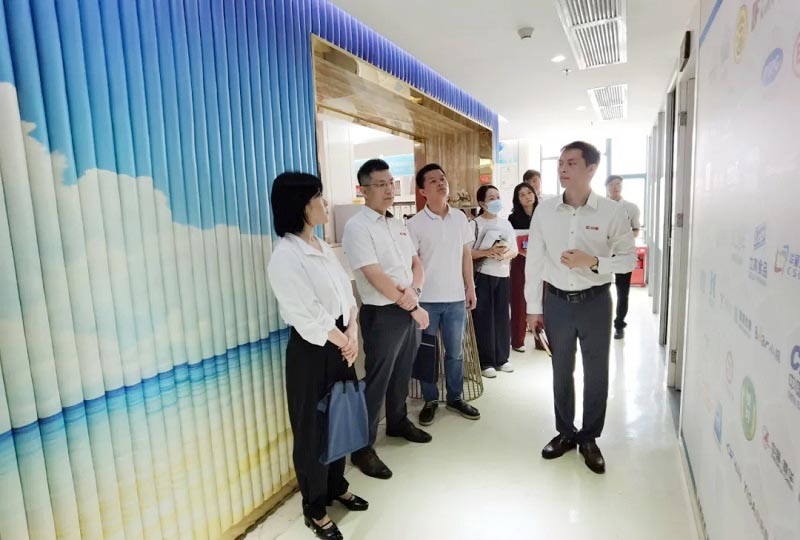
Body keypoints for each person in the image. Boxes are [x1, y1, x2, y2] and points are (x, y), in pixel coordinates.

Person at [267, 172, 368, 540]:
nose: (325, 204)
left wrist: (352, 332)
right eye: (319, 198)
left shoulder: (321, 246)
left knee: (340, 418)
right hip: (313, 351)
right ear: (301, 206)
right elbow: (306, 312)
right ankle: (314, 507)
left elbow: (345, 295)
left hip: (341, 342)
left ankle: (336, 485)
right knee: (312, 430)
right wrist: (344, 340)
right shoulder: (286, 255)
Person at [525, 142, 636, 474]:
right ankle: (565, 432)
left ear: (591, 169)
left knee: (596, 372)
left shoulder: (612, 212)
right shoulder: (545, 210)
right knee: (561, 370)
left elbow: (628, 259)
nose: (562, 168)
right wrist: (533, 307)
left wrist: (594, 261)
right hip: (557, 302)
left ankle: (589, 437)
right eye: (560, 162)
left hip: (596, 302)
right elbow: (534, 260)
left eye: (571, 163)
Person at [342, 159, 432, 481]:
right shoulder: (357, 227)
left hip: (408, 307)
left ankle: (397, 421)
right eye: (380, 184)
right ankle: (362, 447)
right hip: (382, 313)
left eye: (390, 183)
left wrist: (415, 293)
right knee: (377, 380)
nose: (388, 190)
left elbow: (415, 263)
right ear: (363, 190)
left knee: (403, 371)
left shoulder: (398, 223)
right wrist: (411, 304)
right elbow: (374, 274)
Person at [406, 164, 480, 427]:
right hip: (426, 301)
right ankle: (430, 400)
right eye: (433, 181)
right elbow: (412, 263)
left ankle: (455, 397)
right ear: (422, 191)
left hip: (456, 299)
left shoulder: (460, 218)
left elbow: (465, 255)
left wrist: (470, 287)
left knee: (455, 352)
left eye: (443, 179)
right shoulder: (414, 224)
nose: (441, 183)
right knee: (427, 353)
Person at [471, 185, 519, 378]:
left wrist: (503, 254)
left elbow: (514, 250)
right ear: (482, 203)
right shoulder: (474, 224)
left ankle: (502, 358)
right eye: (491, 198)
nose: (496, 200)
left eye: (498, 196)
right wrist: (487, 252)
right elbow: (467, 253)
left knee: (501, 316)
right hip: (483, 275)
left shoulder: (506, 223)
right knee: (484, 318)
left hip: (503, 274)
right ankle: (486, 361)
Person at [605, 175, 642, 339]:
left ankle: (619, 325)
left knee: (622, 292)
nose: (615, 187)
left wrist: (619, 238)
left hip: (623, 253)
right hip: (603, 254)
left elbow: (636, 231)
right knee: (600, 290)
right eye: (612, 184)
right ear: (606, 187)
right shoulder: (599, 207)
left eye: (618, 184)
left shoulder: (631, 208)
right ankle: (601, 322)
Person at [507, 182, 539, 352]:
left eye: (529, 192)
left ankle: (541, 340)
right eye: (522, 194)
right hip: (520, 260)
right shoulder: (513, 218)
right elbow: (509, 241)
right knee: (519, 298)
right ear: (517, 199)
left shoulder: (543, 214)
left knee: (542, 298)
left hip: (541, 261)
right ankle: (518, 340)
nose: (527, 196)